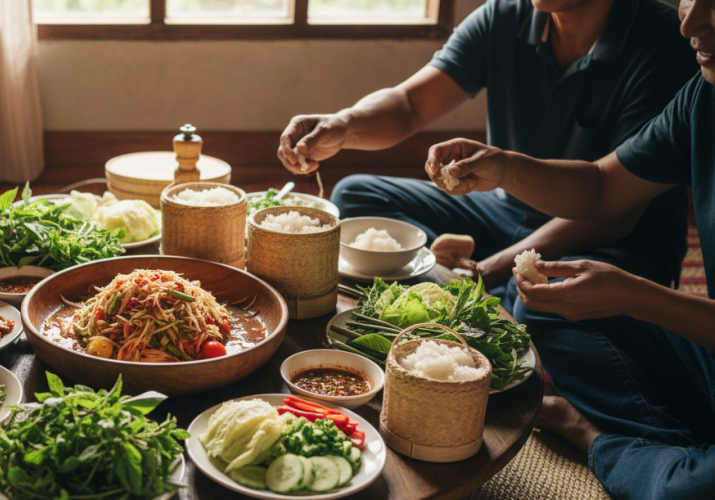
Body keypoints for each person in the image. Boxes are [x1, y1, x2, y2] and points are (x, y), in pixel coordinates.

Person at [417, 0, 715, 495]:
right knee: (550, 301)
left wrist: (633, 294)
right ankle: (669, 449)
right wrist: (505, 166)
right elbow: (602, 186)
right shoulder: (701, 97)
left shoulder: (659, 45)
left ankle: (590, 431)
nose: (691, 22)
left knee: (683, 490)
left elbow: (617, 220)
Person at [278, 0, 696, 309]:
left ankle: (474, 289)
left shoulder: (662, 43)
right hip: (507, 211)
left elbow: (612, 208)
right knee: (355, 196)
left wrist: (494, 266)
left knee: (533, 298)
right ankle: (467, 288)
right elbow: (410, 104)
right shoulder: (504, 17)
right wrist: (343, 124)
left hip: (612, 243)